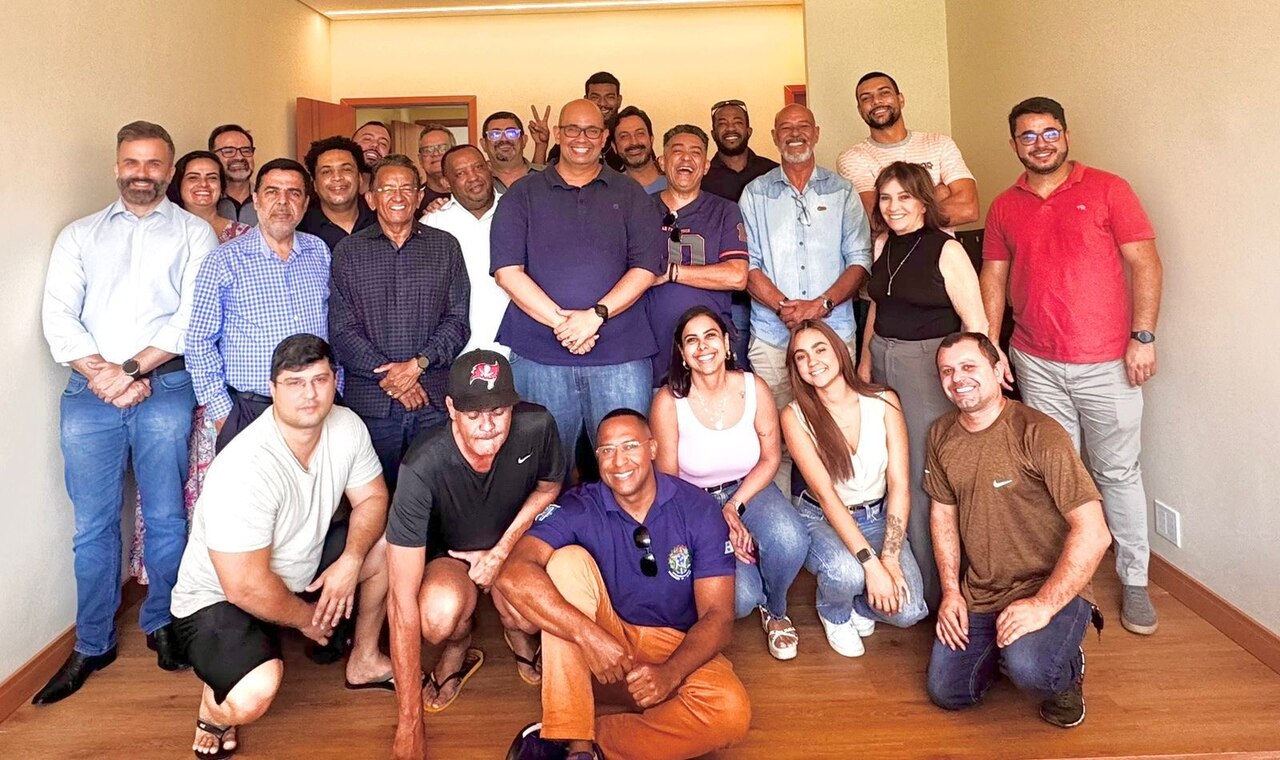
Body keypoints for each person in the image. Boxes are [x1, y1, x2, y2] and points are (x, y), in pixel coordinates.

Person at [37, 120, 216, 704]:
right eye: (132, 163)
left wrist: (132, 370)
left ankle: (162, 622)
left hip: (164, 387)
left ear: (170, 170)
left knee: (165, 517)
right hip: (89, 394)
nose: (143, 174)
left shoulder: (194, 234)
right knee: (92, 525)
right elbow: (59, 316)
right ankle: (93, 642)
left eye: (154, 163)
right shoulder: (79, 235)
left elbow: (191, 317)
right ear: (117, 167)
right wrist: (105, 375)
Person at [981, 97, 1164, 636]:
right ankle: (1063, 578)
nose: (1040, 143)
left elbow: (1146, 263)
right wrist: (990, 346)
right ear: (1014, 144)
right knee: (1053, 475)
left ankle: (1134, 579)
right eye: (1028, 135)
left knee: (1116, 472)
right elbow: (994, 277)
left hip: (1108, 362)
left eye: (1049, 132)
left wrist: (1143, 337)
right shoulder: (1003, 205)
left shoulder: (1109, 189)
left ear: (1066, 135)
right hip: (1035, 360)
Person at [170, 335, 394, 758]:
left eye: (319, 379)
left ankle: (364, 660)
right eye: (295, 383)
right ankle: (212, 710)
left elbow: (373, 498)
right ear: (272, 389)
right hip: (220, 596)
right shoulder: (245, 466)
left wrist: (350, 560)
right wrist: (308, 621)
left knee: (389, 542)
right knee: (251, 695)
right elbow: (244, 587)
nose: (310, 394)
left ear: (334, 381)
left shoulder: (346, 425)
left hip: (296, 571)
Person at [499, 409, 751, 760]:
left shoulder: (698, 509)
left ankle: (588, 744)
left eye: (630, 446)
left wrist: (670, 673)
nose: (619, 461)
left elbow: (718, 618)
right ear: (597, 457)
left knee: (730, 712)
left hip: (673, 645)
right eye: (607, 450)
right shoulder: (580, 506)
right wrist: (589, 636)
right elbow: (512, 574)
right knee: (566, 563)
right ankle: (576, 742)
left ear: (652, 448)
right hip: (602, 650)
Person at [924, 332, 1111, 728]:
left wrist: (1042, 606)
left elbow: (1095, 532)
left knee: (1032, 669)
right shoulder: (941, 434)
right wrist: (952, 592)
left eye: (969, 366)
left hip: (1047, 583)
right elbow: (943, 516)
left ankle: (1064, 668)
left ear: (998, 371)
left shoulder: (1038, 433)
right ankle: (1007, 649)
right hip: (983, 590)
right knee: (947, 691)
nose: (958, 378)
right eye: (947, 371)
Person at [386, 351, 563, 758]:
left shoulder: (538, 425)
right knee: (436, 618)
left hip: (512, 548)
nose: (487, 426)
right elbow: (399, 601)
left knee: (529, 614)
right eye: (473, 414)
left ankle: (516, 631)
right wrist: (410, 721)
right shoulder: (421, 464)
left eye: (498, 412)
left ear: (514, 406)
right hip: (452, 558)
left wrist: (501, 551)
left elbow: (549, 486)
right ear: (451, 409)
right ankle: (459, 644)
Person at [491, 99, 665, 474]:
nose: (581, 138)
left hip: (620, 353)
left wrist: (595, 317)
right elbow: (507, 271)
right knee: (544, 469)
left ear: (604, 138)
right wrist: (565, 324)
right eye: (572, 129)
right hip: (539, 354)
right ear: (558, 134)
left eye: (591, 131)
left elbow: (646, 268)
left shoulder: (631, 194)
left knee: (626, 468)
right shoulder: (522, 194)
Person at [854, 161, 987, 611]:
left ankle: (939, 592)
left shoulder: (946, 249)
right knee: (892, 465)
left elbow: (975, 323)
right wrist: (865, 362)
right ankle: (907, 574)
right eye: (885, 198)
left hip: (926, 367)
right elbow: (878, 307)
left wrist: (972, 380)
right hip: (884, 360)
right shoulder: (882, 244)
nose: (893, 207)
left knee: (922, 472)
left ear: (924, 202)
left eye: (904, 197)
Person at [651, 307, 809, 660]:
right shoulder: (667, 402)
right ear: (682, 354)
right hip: (692, 500)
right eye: (692, 340)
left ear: (726, 344)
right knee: (739, 600)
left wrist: (734, 507)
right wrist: (719, 524)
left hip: (750, 487)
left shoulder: (754, 388)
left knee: (790, 539)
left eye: (710, 336)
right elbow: (668, 483)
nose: (702, 346)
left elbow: (770, 458)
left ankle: (776, 609)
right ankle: (748, 568)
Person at [740, 104, 872, 495]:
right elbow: (748, 265)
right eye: (786, 127)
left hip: (834, 333)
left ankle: (840, 517)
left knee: (837, 432)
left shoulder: (843, 191)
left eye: (802, 127)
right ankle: (785, 525)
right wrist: (785, 307)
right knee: (774, 440)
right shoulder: (756, 193)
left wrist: (821, 305)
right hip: (772, 336)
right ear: (774, 136)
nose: (794, 133)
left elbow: (860, 260)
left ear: (816, 133)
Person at [781, 320, 928, 657]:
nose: (812, 361)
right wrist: (872, 566)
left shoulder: (884, 400)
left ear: (840, 351)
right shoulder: (794, 416)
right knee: (847, 572)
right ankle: (833, 611)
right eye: (801, 356)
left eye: (820, 349)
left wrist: (889, 558)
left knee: (909, 610)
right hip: (821, 517)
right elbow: (827, 496)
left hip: (877, 516)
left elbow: (899, 484)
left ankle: (859, 605)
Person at [329, 154, 470, 493]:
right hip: (372, 404)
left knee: (436, 498)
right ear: (371, 198)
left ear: (419, 196)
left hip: (433, 399)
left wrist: (418, 365)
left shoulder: (445, 247)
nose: (398, 196)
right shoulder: (348, 252)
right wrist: (393, 377)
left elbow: (458, 321)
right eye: (387, 188)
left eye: (406, 188)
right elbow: (342, 331)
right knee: (374, 499)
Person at [187, 158, 332, 451]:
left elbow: (334, 323)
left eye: (294, 193)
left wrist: (335, 390)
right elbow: (199, 342)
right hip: (250, 409)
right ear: (256, 199)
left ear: (305, 203)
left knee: (318, 482)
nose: (283, 202)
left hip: (316, 404)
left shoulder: (319, 251)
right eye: (272, 192)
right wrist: (223, 414)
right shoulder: (223, 260)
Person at [647, 124, 747, 384]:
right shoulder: (639, 209)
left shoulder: (725, 211)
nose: (686, 158)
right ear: (662, 162)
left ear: (705, 166)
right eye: (677, 151)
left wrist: (671, 272)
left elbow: (737, 276)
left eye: (695, 152)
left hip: (708, 352)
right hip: (649, 348)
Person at [837, 71, 979, 227]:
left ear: (901, 99)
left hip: (943, 244)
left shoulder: (939, 143)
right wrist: (937, 195)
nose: (876, 101)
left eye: (884, 93)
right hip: (896, 245)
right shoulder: (852, 158)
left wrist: (899, 215)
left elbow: (968, 209)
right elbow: (877, 221)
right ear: (860, 110)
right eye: (866, 98)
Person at [703, 98, 779, 375]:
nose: (730, 128)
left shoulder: (772, 172)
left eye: (737, 122)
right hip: (726, 301)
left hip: (771, 298)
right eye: (722, 123)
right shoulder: (703, 177)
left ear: (749, 130)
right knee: (733, 377)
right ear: (713, 133)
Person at [423, 144, 510, 355]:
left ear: (489, 168)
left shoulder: (517, 211)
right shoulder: (432, 224)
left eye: (478, 167)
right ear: (446, 183)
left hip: (517, 348)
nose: (473, 177)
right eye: (460, 173)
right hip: (455, 352)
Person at [299, 136, 377, 251]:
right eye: (326, 171)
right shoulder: (300, 227)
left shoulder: (381, 218)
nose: (337, 177)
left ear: (360, 179)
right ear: (315, 185)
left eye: (346, 169)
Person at [166, 150, 252, 243]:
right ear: (178, 184)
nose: (203, 184)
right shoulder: (162, 229)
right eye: (193, 178)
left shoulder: (245, 235)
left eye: (212, 178)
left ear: (221, 186)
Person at [546, 72, 626, 171]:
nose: (602, 103)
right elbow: (546, 176)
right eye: (595, 97)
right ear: (586, 100)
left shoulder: (628, 137)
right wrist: (541, 145)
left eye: (609, 97)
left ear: (619, 100)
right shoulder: (569, 140)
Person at [481, 110, 544, 192]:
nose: (504, 139)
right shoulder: (477, 181)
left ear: (524, 140)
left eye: (512, 133)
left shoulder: (549, 176)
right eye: (495, 134)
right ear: (483, 144)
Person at [208, 124, 258, 226]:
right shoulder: (204, 200)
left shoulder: (269, 199)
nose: (239, 157)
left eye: (246, 150)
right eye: (228, 151)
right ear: (212, 157)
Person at [611, 106, 665, 194]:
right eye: (624, 136)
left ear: (651, 139)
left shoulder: (675, 185)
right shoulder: (609, 192)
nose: (634, 142)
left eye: (640, 134)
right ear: (614, 147)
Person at [416, 123, 455, 212]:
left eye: (443, 148)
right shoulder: (414, 199)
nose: (436, 154)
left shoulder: (469, 192)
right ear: (420, 160)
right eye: (427, 150)